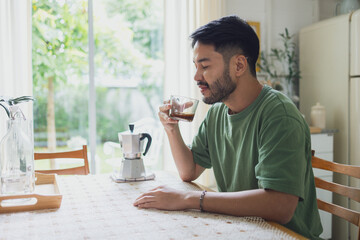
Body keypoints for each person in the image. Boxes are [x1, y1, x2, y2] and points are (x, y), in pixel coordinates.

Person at [133, 15, 322, 239]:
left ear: (239, 65)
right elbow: (189, 170)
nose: (196, 76)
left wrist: (188, 199)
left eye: (204, 66)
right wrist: (171, 129)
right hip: (241, 230)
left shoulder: (279, 116)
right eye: (196, 66)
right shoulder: (217, 113)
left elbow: (281, 205)